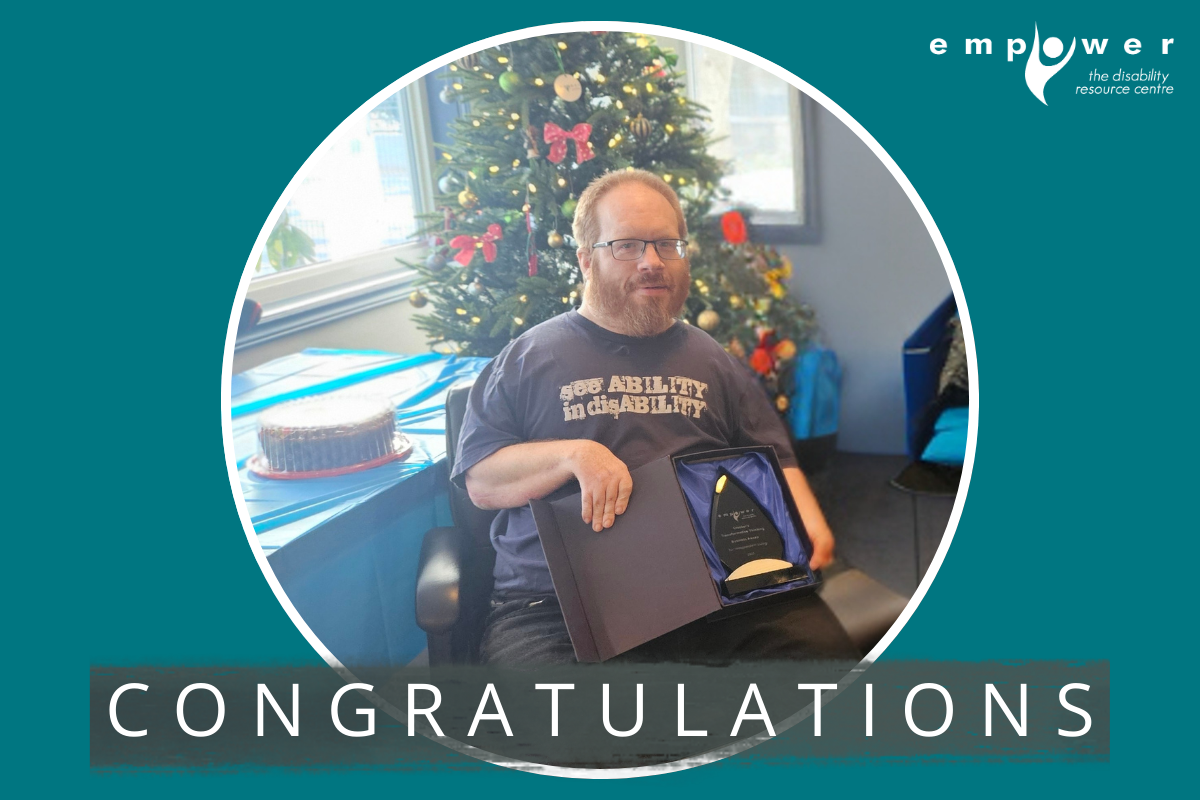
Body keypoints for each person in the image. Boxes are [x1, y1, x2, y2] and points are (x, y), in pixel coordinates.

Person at [451, 169, 858, 665]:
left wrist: (806, 524)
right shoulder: (525, 359)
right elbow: (482, 482)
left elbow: (773, 459)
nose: (652, 262)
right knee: (573, 710)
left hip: (715, 595)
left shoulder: (712, 361)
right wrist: (573, 456)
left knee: (823, 667)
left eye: (668, 245)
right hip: (558, 609)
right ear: (586, 260)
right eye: (627, 246)